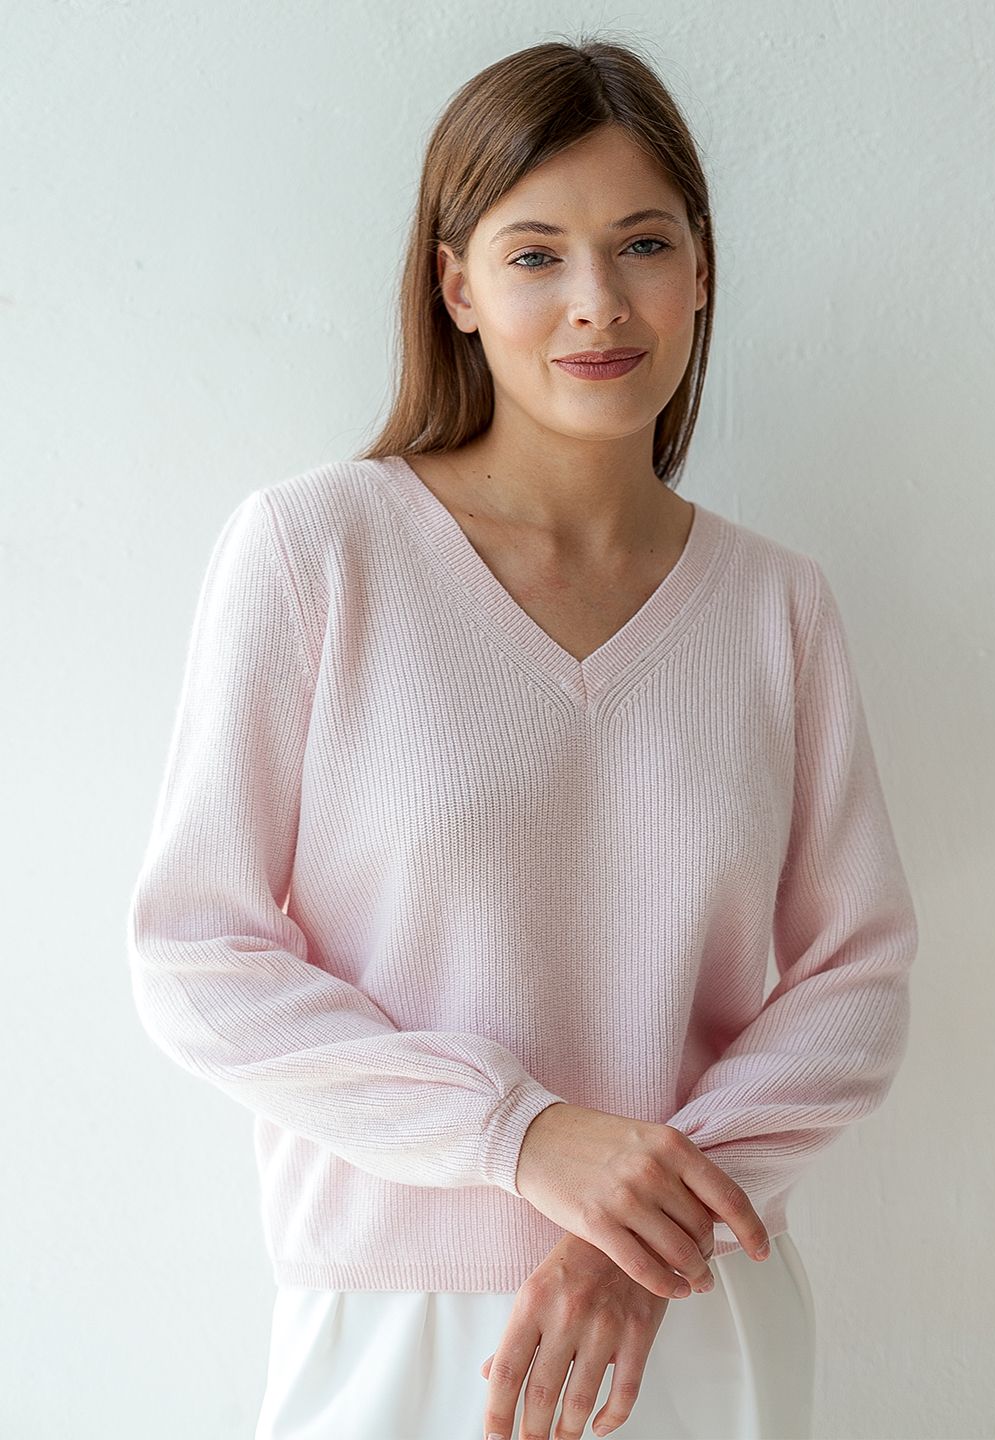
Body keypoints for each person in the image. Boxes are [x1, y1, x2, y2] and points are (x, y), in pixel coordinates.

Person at [125, 32, 918, 1440]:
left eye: (643, 244)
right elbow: (196, 956)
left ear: (701, 272)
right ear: (459, 288)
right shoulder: (318, 554)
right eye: (536, 254)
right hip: (402, 1319)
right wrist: (524, 1136)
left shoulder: (775, 606)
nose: (598, 301)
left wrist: (648, 1226)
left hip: (696, 1306)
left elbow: (858, 978)